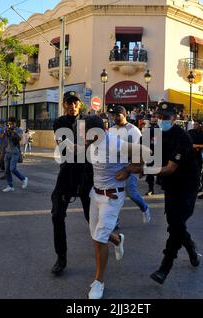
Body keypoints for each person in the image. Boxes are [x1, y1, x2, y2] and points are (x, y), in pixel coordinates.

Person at [84, 115, 147, 299]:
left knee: (99, 239)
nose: (86, 138)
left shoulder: (115, 144)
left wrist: (128, 170)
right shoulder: (92, 144)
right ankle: (118, 240)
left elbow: (143, 152)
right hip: (95, 195)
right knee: (95, 234)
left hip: (112, 197)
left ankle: (98, 282)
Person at [148, 102, 200, 285]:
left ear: (175, 118)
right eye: (159, 117)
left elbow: (169, 169)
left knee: (176, 225)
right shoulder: (156, 135)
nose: (161, 120)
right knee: (174, 224)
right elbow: (145, 154)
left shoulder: (182, 138)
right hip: (171, 187)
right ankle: (191, 248)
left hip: (187, 187)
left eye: (166, 117)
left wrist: (145, 170)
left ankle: (165, 267)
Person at [50, 91, 94, 276]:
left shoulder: (89, 121)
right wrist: (85, 144)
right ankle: (61, 257)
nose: (72, 105)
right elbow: (67, 148)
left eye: (75, 102)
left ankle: (114, 239)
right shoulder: (60, 122)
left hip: (87, 174)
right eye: (69, 102)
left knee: (92, 219)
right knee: (57, 216)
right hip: (67, 173)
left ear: (79, 105)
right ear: (63, 104)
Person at [108, 105, 151, 224]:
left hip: (129, 166)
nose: (115, 117)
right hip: (114, 166)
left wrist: (140, 166)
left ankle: (145, 207)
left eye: (118, 115)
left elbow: (141, 149)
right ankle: (115, 221)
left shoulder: (133, 130)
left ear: (125, 115)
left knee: (132, 194)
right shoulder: (111, 130)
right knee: (112, 194)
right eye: (113, 115)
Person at [2, 117, 28, 192]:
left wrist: (13, 132)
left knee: (12, 169)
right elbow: (3, 138)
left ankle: (24, 178)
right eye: (9, 124)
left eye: (11, 124)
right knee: (6, 170)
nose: (10, 125)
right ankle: (10, 186)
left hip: (15, 152)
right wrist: (6, 132)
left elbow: (19, 139)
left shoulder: (19, 130)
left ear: (15, 123)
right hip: (7, 152)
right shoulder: (8, 129)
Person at [188, 121, 203, 192]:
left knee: (199, 171)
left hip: (200, 155)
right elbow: (187, 142)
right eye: (194, 124)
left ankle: (199, 185)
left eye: (196, 124)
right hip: (191, 154)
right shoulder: (190, 132)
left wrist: (198, 146)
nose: (194, 126)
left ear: (200, 125)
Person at [145, 115, 159, 196]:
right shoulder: (148, 128)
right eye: (152, 122)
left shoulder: (160, 129)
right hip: (150, 152)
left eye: (154, 122)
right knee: (150, 170)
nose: (153, 123)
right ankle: (151, 188)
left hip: (159, 152)